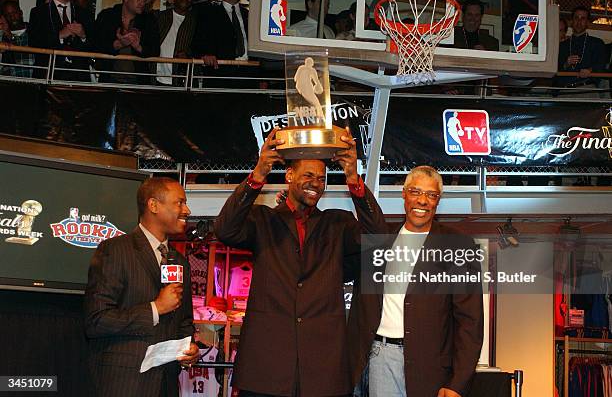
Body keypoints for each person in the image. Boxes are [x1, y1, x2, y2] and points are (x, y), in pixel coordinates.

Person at [214, 128, 386, 396]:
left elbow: (377, 234)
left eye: (321, 178)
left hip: (323, 369)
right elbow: (225, 229)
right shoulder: (264, 220)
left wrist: (353, 177)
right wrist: (259, 172)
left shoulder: (337, 224)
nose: (316, 183)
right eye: (308, 175)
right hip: (266, 368)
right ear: (290, 175)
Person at [348, 166, 484, 397]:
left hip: (430, 368)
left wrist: (457, 383)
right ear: (404, 194)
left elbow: (470, 321)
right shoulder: (380, 240)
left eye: (431, 195)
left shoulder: (457, 245)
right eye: (415, 192)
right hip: (381, 359)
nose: (422, 201)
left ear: (437, 201)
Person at [84, 177, 199, 397]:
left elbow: (184, 322)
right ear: (153, 205)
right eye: (180, 202)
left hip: (166, 385)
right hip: (125, 384)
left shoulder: (180, 262)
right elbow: (96, 320)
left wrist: (189, 349)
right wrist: (155, 308)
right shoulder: (116, 250)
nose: (187, 210)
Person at [93, 0, 160, 84]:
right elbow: (95, 45)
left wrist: (138, 47)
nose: (142, 2)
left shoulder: (149, 20)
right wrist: (118, 44)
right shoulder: (107, 16)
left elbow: (155, 51)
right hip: (109, 81)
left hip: (139, 83)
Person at [28, 0, 94, 80]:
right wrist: (59, 35)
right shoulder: (39, 12)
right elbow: (33, 42)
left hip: (78, 76)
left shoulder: (84, 13)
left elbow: (95, 45)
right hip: (49, 74)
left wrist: (83, 36)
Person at [555, 6, 607, 95]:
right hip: (564, 91)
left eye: (583, 18)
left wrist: (590, 70)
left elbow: (601, 64)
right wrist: (566, 64)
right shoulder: (562, 45)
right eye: (576, 18)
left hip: (587, 90)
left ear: (587, 23)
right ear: (571, 21)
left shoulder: (597, 43)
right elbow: (554, 70)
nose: (579, 22)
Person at [191, 0, 248, 69]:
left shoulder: (249, 15)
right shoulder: (208, 14)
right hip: (220, 70)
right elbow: (197, 42)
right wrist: (204, 55)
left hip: (250, 71)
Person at [155, 0, 196, 86]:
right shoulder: (159, 16)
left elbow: (199, 47)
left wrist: (187, 56)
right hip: (153, 79)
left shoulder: (195, 22)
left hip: (181, 81)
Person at [0, 0, 34, 77]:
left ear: (21, 13)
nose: (12, 17)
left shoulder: (33, 30)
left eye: (14, 13)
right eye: (8, 15)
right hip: (10, 83)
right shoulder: (3, 35)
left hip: (34, 81)